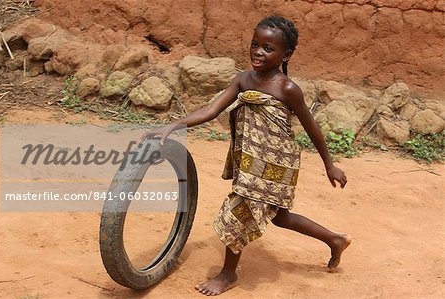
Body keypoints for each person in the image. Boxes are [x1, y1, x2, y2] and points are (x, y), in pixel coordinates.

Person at [143, 15, 351, 296]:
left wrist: (330, 165)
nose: (258, 51)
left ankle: (228, 275)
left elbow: (312, 127)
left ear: (285, 54)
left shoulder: (287, 88)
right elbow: (211, 109)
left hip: (276, 159)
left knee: (239, 211)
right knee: (279, 217)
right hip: (250, 158)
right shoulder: (243, 80)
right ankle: (335, 240)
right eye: (255, 44)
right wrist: (174, 125)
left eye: (268, 48)